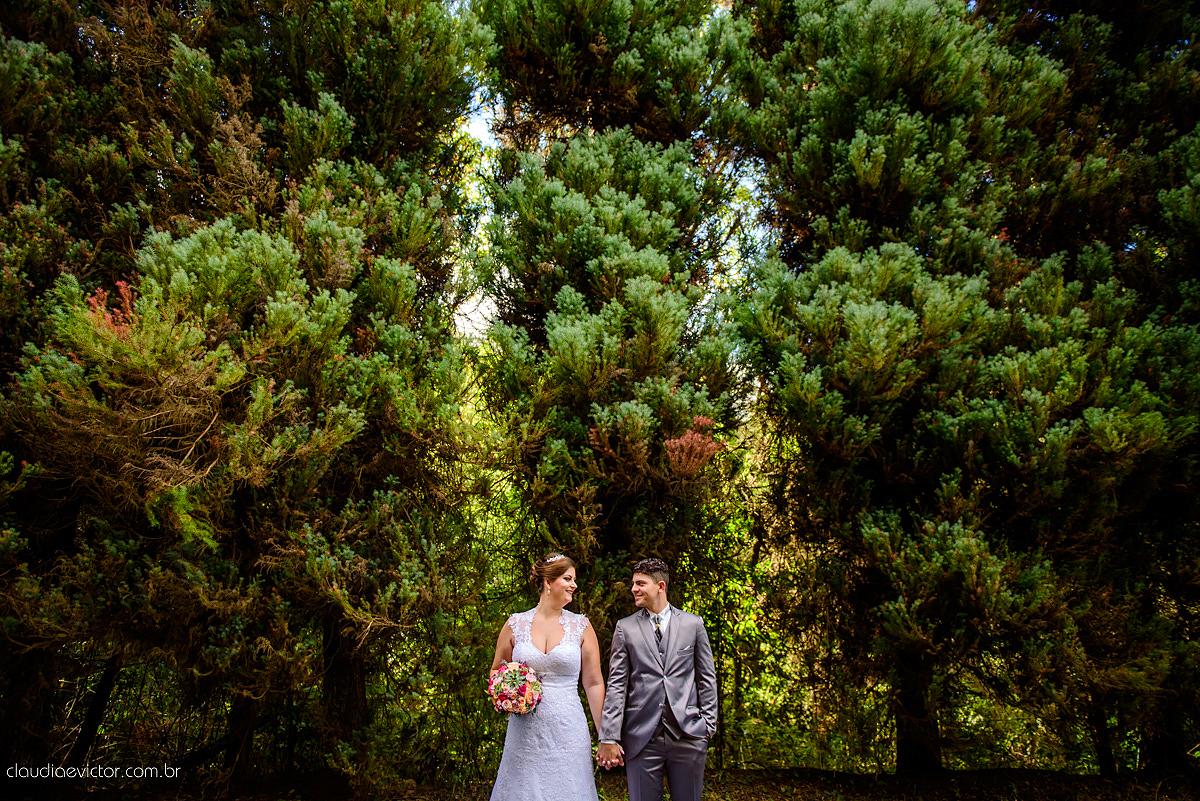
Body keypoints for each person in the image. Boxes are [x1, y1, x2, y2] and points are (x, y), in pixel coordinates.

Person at [595, 557, 717, 801]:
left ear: (660, 586)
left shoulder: (693, 624)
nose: (633, 589)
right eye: (633, 583)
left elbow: (706, 679)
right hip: (641, 738)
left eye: (640, 583)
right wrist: (609, 735)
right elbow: (617, 684)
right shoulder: (625, 628)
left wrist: (707, 727)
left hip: (688, 735)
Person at [488, 552, 604, 800]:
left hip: (568, 728)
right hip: (525, 732)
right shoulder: (515, 624)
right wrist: (507, 691)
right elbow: (497, 670)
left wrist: (606, 735)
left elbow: (593, 683)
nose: (574, 585)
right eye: (568, 578)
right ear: (548, 583)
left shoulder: (581, 626)